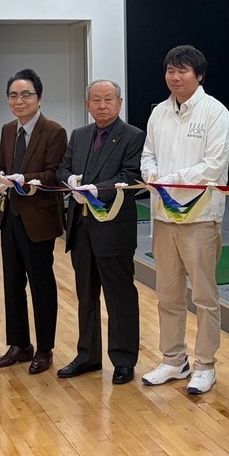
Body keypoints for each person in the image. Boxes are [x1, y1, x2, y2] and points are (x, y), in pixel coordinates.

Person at [139, 45, 229, 396]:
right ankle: (173, 358)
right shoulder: (159, 113)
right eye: (170, 71)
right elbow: (148, 154)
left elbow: (214, 166)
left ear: (199, 75)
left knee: (205, 296)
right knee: (167, 294)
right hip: (163, 217)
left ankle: (205, 364)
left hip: (200, 217)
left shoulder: (215, 112)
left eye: (182, 71)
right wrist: (150, 171)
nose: (175, 77)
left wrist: (172, 177)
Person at [56, 79, 144, 384]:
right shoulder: (79, 136)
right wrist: (70, 180)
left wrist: (96, 191)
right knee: (86, 294)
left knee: (119, 295)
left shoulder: (133, 136)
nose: (102, 105)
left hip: (113, 228)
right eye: (96, 100)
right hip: (81, 227)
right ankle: (87, 355)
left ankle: (123, 359)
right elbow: (62, 168)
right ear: (87, 105)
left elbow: (131, 176)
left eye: (108, 99)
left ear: (119, 103)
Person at [0, 69, 67, 375]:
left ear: (39, 98)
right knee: (12, 283)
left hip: (39, 218)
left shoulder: (54, 131)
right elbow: (1, 167)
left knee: (41, 284)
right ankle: (19, 344)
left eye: (26, 95)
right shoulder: (8, 129)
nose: (19, 101)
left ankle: (45, 348)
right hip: (10, 216)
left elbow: (54, 174)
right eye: (13, 95)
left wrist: (25, 179)